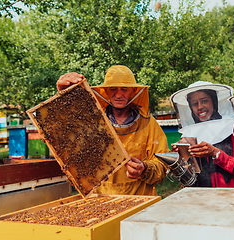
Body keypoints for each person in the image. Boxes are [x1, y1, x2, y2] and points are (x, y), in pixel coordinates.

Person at [56, 65, 168, 196]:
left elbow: (162, 165)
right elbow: (65, 138)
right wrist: (63, 96)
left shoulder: (149, 124)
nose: (118, 94)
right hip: (100, 201)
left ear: (133, 91)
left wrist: (144, 169)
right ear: (105, 91)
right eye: (113, 89)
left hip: (140, 202)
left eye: (124, 89)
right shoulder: (91, 122)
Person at [170, 81, 234, 187]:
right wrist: (180, 159)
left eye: (204, 101)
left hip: (232, 195)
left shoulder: (233, 127)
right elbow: (187, 180)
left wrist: (216, 153)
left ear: (214, 102)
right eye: (194, 103)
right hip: (201, 197)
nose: (199, 107)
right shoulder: (188, 134)